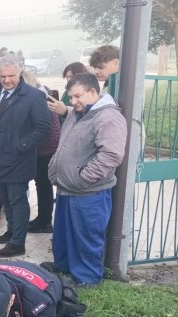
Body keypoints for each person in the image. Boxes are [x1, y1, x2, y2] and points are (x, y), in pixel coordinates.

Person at [46, 73, 127, 285]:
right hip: (67, 187)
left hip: (89, 192)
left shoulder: (108, 117)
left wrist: (83, 178)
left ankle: (87, 280)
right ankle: (63, 268)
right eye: (70, 97)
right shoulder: (80, 112)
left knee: (86, 238)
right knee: (63, 235)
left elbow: (111, 155)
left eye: (77, 96)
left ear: (93, 92)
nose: (73, 102)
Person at [0, 54, 50, 258]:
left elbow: (43, 128)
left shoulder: (34, 96)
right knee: (4, 197)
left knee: (17, 200)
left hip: (18, 159)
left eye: (11, 75)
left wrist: (20, 145)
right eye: (2, 76)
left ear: (20, 72)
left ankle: (18, 243)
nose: (7, 80)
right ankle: (11, 232)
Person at [20, 71, 61, 234]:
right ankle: (43, 218)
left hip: (45, 149)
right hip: (47, 147)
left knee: (44, 184)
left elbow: (42, 128)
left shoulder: (38, 99)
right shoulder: (43, 95)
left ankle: (44, 221)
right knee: (42, 184)